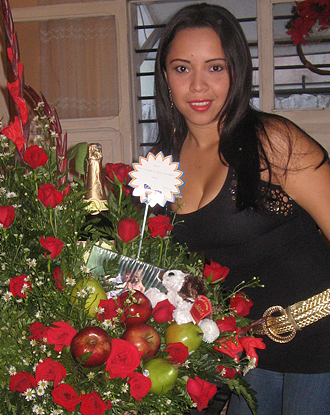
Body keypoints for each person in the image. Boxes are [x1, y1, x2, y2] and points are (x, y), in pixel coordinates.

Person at [152, 3, 330, 415]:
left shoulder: (272, 140)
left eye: (214, 68)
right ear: (164, 76)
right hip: (248, 356)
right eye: (182, 69)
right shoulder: (162, 163)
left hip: (322, 345)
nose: (198, 86)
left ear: (236, 71)